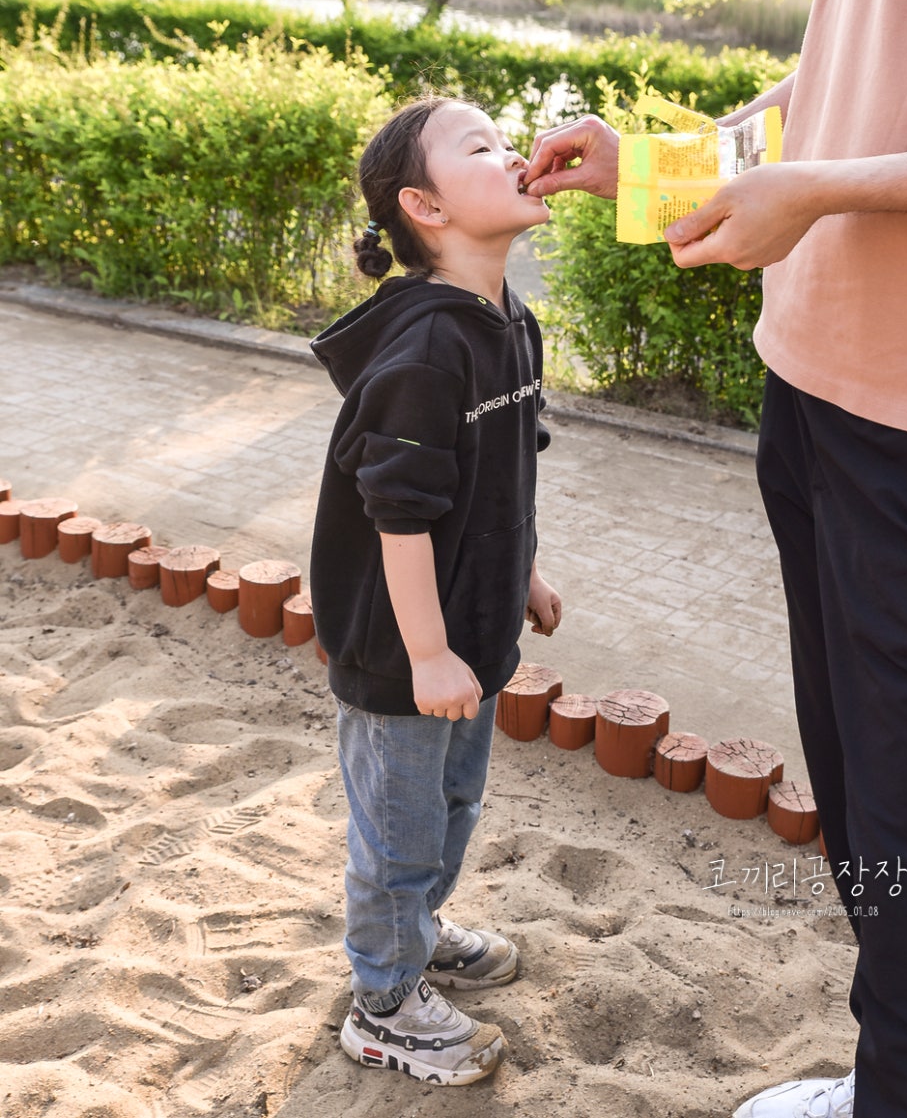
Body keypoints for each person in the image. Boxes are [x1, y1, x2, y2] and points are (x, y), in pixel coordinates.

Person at [524, 0, 907, 1115]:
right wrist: (657, 165)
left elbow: (837, 155)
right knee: (875, 823)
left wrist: (816, 190)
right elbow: (846, 80)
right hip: (828, 395)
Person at [310, 95, 562, 1087]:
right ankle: (383, 1003)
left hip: (473, 632)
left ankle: (415, 933)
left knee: (453, 806)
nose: (510, 153)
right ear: (425, 204)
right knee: (398, 829)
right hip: (405, 652)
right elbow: (400, 514)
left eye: (505, 139)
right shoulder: (424, 350)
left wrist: (528, 572)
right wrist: (426, 652)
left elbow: (509, 462)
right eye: (481, 147)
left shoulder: (508, 322)